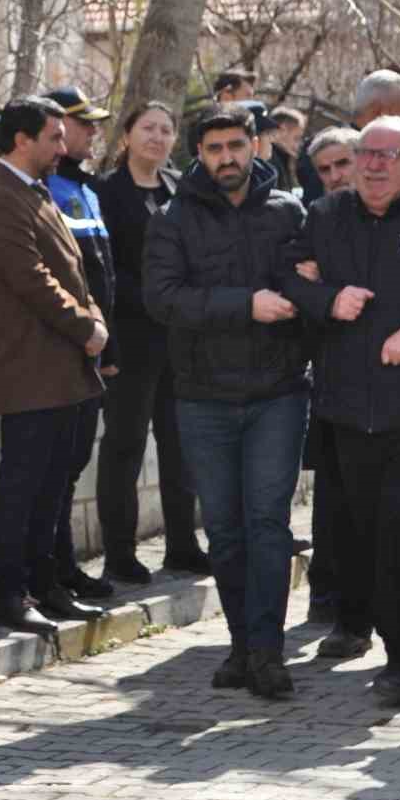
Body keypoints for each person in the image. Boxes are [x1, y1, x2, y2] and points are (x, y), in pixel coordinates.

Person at [280, 116, 400, 707]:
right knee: (367, 532)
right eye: (366, 153)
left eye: (389, 155)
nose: (373, 165)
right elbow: (286, 274)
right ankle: (399, 634)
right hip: (347, 408)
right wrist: (326, 297)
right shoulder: (327, 216)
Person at [144, 104, 308, 699]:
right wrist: (246, 303)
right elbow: (162, 298)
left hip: (278, 393)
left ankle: (268, 651)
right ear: (200, 155)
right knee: (227, 529)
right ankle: (241, 645)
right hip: (204, 397)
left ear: (255, 145)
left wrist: (297, 292)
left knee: (268, 524)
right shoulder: (173, 217)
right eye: (214, 150)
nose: (227, 159)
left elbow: (308, 281)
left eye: (236, 145)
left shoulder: (289, 211)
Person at [0, 97, 110, 635]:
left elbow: (74, 271)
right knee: (23, 485)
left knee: (55, 482)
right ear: (21, 139)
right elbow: (31, 279)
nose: (62, 146)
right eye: (53, 136)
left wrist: (92, 318)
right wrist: (86, 325)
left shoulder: (36, 191)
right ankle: (11, 593)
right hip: (32, 367)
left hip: (66, 366)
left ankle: (47, 585)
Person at [91, 101, 209, 586]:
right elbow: (103, 265)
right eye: (147, 129)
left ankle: (183, 546)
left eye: (166, 129)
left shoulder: (180, 187)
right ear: (127, 136)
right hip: (130, 336)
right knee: (125, 444)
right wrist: (155, 297)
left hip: (180, 339)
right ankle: (120, 553)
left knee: (180, 444)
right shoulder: (105, 193)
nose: (157, 138)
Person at [41, 86, 118, 601]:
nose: (92, 132)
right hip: (64, 349)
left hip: (96, 350)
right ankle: (52, 568)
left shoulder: (87, 188)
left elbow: (102, 275)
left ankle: (63, 564)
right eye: (82, 124)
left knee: (72, 467)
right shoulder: (48, 188)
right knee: (55, 468)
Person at [296, 126, 361, 631]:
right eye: (326, 169)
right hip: (335, 378)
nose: (337, 177)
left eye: (345, 163)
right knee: (333, 495)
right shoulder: (313, 221)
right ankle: (329, 597)